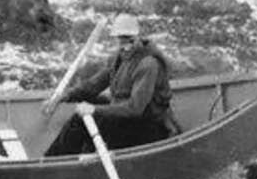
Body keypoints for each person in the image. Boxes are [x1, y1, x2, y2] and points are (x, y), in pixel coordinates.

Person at [43, 13, 176, 156]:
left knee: (83, 117)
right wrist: (65, 96)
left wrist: (94, 110)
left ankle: (53, 160)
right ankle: (67, 153)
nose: (126, 46)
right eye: (122, 40)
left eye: (130, 40)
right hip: (126, 117)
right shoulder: (117, 58)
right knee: (87, 104)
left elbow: (135, 109)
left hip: (147, 126)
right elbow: (93, 86)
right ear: (117, 39)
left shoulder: (148, 64)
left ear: (137, 37)